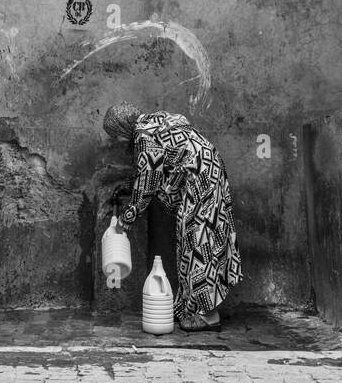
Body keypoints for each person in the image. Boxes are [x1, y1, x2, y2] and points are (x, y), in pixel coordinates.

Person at [103, 103, 242, 331]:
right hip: (208, 172)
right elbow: (159, 165)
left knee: (198, 243)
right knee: (195, 241)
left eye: (116, 135)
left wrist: (128, 217)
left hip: (199, 183)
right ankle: (192, 307)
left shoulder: (144, 136)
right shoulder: (155, 123)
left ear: (123, 126)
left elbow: (148, 181)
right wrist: (129, 186)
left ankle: (208, 314)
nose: (117, 141)